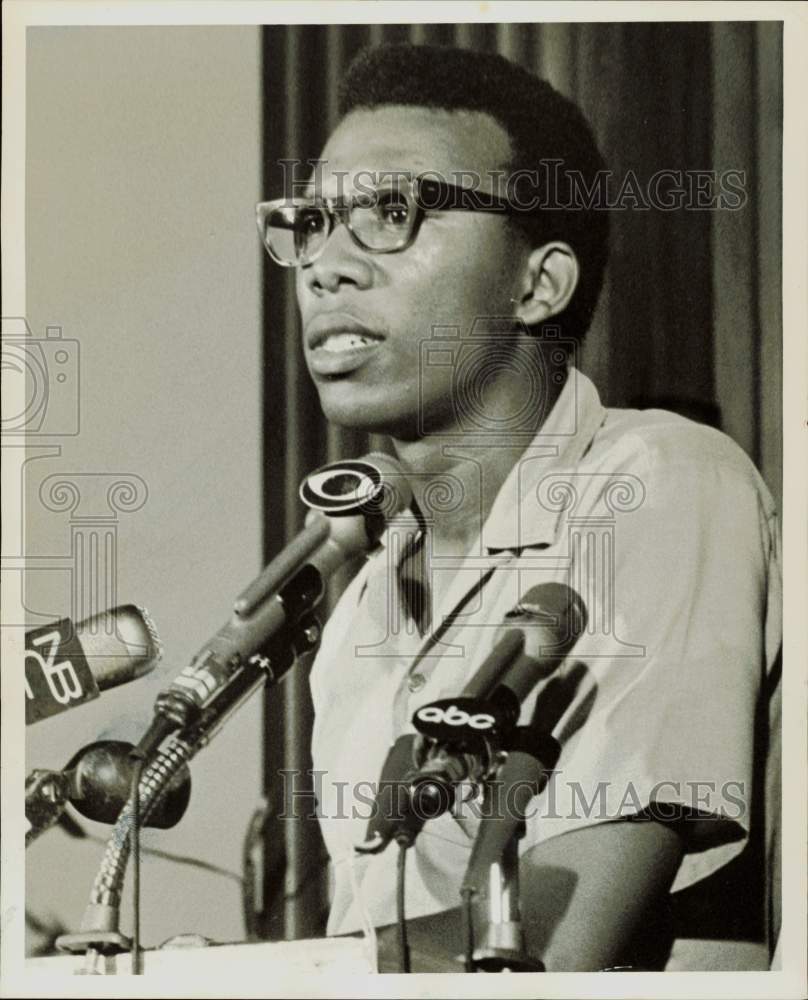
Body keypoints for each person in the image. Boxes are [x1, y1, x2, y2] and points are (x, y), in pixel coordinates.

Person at [256, 43, 781, 971]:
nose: (324, 267)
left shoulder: (657, 482)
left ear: (538, 283)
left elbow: (544, 944)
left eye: (391, 213)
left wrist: (230, 979)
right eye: (310, 222)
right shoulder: (361, 608)